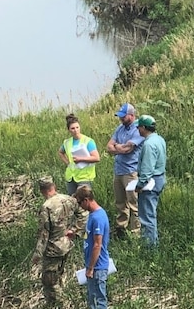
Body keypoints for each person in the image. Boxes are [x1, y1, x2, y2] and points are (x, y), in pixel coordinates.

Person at [32, 176, 86, 306]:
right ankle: (60, 302)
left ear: (41, 190)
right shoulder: (68, 200)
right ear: (53, 186)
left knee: (50, 280)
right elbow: (84, 215)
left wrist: (38, 254)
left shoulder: (46, 207)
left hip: (53, 248)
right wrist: (75, 230)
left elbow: (44, 234)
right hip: (66, 243)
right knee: (60, 273)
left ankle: (61, 305)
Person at [75, 185, 111, 309]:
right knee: (93, 298)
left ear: (87, 200)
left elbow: (97, 244)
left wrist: (90, 268)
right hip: (93, 265)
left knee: (98, 298)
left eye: (79, 202)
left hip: (97, 266)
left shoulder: (98, 218)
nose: (79, 206)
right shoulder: (92, 216)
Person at [105, 102, 144, 239]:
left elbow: (129, 149)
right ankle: (121, 228)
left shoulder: (138, 129)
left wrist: (117, 147)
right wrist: (118, 147)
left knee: (133, 202)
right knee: (120, 202)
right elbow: (109, 147)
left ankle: (135, 232)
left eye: (123, 116)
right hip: (119, 171)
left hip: (131, 172)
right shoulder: (120, 128)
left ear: (132, 115)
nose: (120, 119)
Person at [134, 114, 167, 248]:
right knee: (151, 213)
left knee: (147, 217)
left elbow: (147, 169)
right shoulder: (159, 139)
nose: (137, 129)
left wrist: (140, 184)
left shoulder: (148, 144)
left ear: (143, 128)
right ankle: (151, 242)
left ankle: (150, 247)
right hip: (160, 179)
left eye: (139, 127)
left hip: (150, 184)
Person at [58, 113, 100, 196]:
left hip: (85, 177)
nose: (75, 130)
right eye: (72, 128)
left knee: (84, 201)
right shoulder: (67, 142)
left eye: (77, 127)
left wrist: (81, 159)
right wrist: (67, 163)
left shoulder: (88, 141)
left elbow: (96, 158)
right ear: (69, 130)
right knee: (72, 200)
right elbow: (60, 152)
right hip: (71, 177)